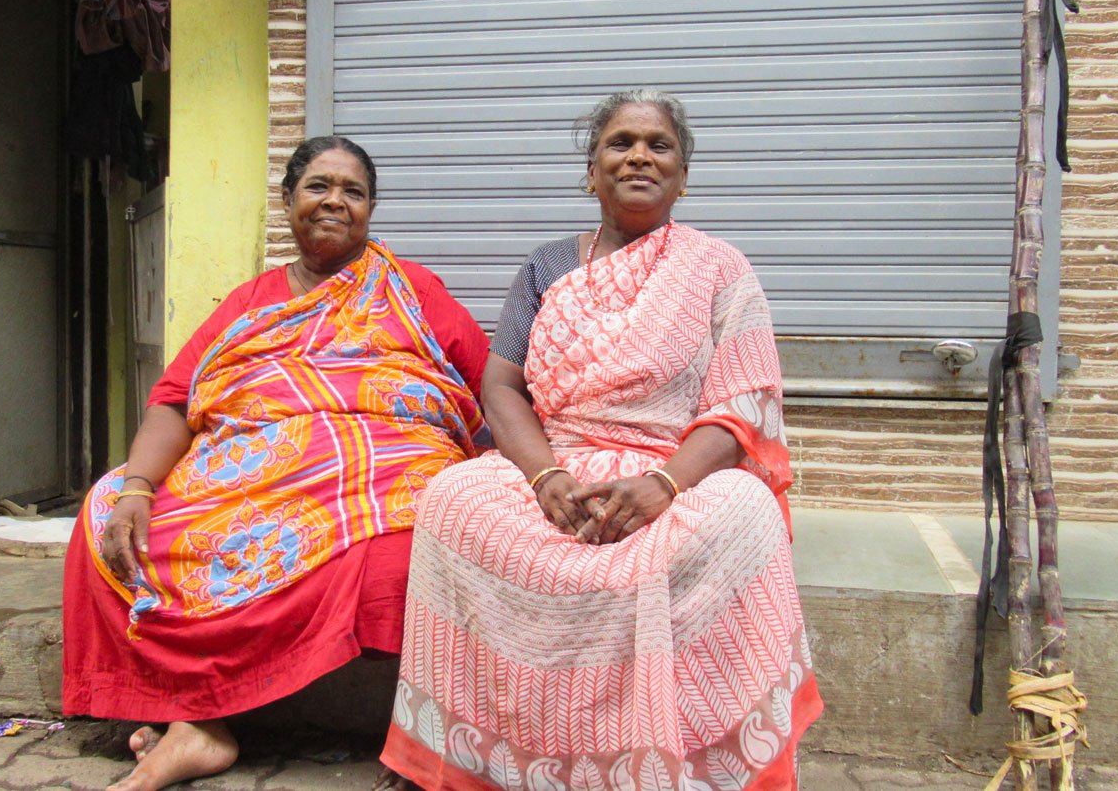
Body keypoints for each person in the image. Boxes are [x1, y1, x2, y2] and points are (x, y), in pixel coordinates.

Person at [379, 90, 822, 791]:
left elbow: (743, 404)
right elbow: (502, 388)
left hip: (669, 474)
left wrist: (661, 486)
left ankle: (701, 762)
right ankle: (478, 758)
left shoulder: (720, 268)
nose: (639, 155)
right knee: (452, 497)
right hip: (558, 468)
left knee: (747, 510)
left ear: (683, 176)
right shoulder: (548, 265)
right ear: (592, 172)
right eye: (620, 143)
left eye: (659, 145)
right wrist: (544, 478)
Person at [63, 136, 490, 791]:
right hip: (252, 470)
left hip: (385, 465)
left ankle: (204, 724)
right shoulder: (249, 303)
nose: (335, 201)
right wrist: (140, 486)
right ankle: (195, 725)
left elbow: (491, 382)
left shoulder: (411, 289)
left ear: (371, 210)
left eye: (353, 191)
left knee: (400, 549)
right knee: (108, 513)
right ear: (288, 200)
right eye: (319, 185)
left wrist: (528, 473)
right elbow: (177, 401)